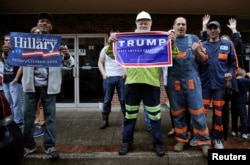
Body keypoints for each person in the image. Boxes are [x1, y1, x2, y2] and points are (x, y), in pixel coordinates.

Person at [2, 12, 75, 159]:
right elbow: (12, 60)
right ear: (37, 24)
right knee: (27, 118)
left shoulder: (57, 43)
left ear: (51, 26)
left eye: (47, 21)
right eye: (41, 21)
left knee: (50, 118)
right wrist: (6, 53)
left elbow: (70, 64)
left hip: (49, 86)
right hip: (30, 86)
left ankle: (49, 146)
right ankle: (29, 145)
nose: (44, 23)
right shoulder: (25, 43)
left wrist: (67, 55)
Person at [108, 11, 167, 157]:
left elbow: (173, 54)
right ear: (136, 24)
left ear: (151, 24)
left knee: (155, 116)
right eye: (140, 21)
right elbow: (112, 55)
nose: (143, 24)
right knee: (129, 115)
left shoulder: (159, 40)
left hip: (151, 83)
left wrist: (171, 42)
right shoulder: (127, 40)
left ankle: (158, 143)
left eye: (146, 21)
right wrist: (111, 44)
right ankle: (126, 142)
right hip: (131, 83)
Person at [167, 17, 211, 157]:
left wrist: (198, 51)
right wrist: (169, 43)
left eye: (183, 24)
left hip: (192, 79)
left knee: (198, 112)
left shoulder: (193, 38)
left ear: (186, 26)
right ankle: (181, 139)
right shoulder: (168, 41)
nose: (181, 26)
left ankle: (203, 142)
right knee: (178, 113)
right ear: (174, 26)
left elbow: (204, 58)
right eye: (178, 24)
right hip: (174, 81)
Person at [200, 20, 237, 149]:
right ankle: (201, 137)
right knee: (202, 113)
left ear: (219, 30)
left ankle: (217, 138)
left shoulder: (227, 44)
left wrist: (230, 74)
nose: (213, 30)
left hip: (220, 86)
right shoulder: (202, 45)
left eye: (215, 28)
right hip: (204, 85)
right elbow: (197, 64)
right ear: (207, 31)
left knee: (219, 113)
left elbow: (234, 64)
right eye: (210, 28)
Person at [98, 28, 126, 129]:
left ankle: (126, 121)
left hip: (121, 78)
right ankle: (105, 120)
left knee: (123, 100)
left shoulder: (123, 48)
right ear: (109, 36)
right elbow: (100, 62)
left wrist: (125, 72)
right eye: (112, 36)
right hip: (108, 78)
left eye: (116, 36)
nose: (114, 38)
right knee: (107, 100)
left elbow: (127, 62)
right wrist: (104, 74)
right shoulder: (105, 49)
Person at [2, 34, 23, 128]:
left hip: (14, 81)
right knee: (9, 102)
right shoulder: (5, 52)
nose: (7, 42)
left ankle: (18, 121)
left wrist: (16, 79)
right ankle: (11, 121)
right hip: (6, 80)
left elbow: (21, 66)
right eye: (6, 40)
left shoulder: (18, 51)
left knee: (16, 102)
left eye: (9, 40)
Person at [230, 67, 249, 139]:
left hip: (233, 101)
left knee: (234, 117)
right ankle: (244, 133)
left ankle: (234, 131)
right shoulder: (244, 80)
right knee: (243, 117)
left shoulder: (233, 80)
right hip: (241, 102)